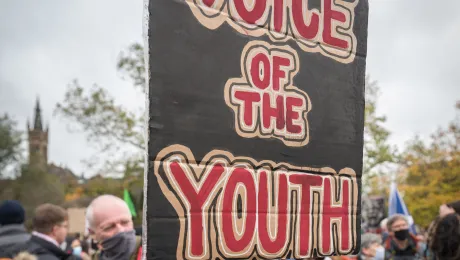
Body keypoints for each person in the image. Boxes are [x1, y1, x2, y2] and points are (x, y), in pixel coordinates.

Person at [5, 203, 73, 260]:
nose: (67, 230)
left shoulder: (11, 252)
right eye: (65, 226)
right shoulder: (50, 256)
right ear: (55, 230)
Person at [85, 195, 141, 260]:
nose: (121, 230)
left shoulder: (151, 251)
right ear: (92, 233)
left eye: (125, 222)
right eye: (109, 227)